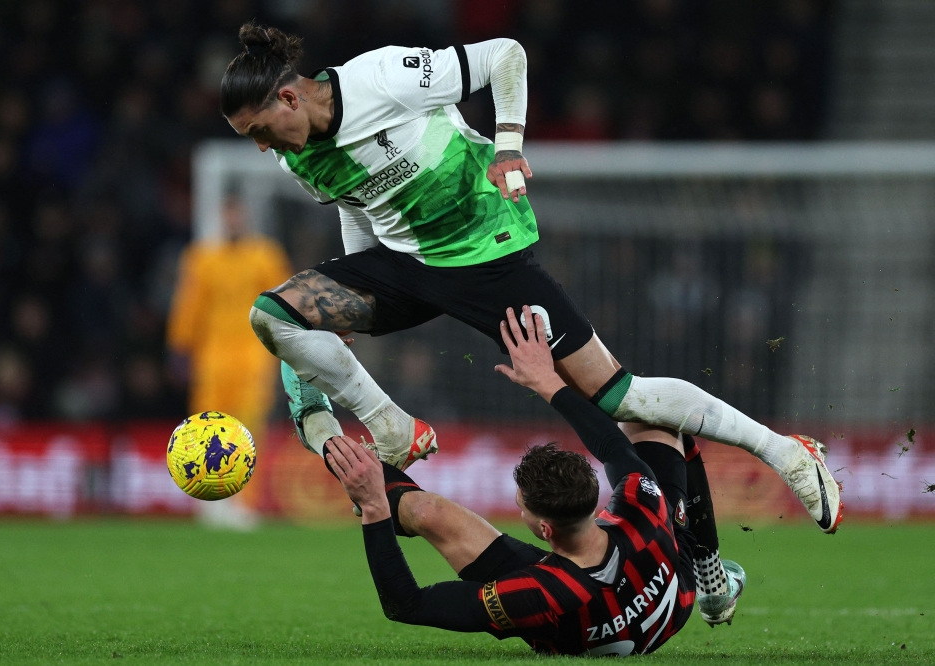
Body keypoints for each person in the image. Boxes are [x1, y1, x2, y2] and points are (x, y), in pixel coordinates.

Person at [221, 24, 842, 533]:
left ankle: (785, 453)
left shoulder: (380, 78)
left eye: (258, 130)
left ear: (290, 99)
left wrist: (508, 144)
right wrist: (349, 295)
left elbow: (503, 56)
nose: (260, 147)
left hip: (485, 253)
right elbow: (358, 205)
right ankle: (389, 424)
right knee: (273, 316)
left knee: (619, 396)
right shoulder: (292, 153)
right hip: (405, 264)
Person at [316, 307, 747, 656]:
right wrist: (547, 382)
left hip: (576, 611)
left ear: (543, 529)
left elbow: (405, 605)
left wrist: (374, 508)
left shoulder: (536, 593)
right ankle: (710, 572)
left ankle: (316, 420)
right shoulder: (642, 508)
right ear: (601, 505)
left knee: (412, 508)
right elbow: (614, 447)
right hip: (675, 591)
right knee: (660, 419)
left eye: (520, 503)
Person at [167, 195, 292, 527]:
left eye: (239, 214)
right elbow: (189, 304)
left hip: (253, 358)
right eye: (229, 214)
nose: (234, 220)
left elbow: (284, 304)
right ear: (222, 217)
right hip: (212, 358)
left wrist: (291, 348)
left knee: (250, 431)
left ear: (246, 217)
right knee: (205, 429)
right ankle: (208, 499)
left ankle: (244, 503)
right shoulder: (202, 258)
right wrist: (179, 347)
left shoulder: (265, 256)